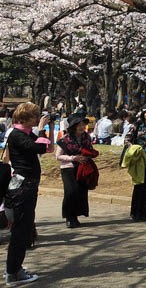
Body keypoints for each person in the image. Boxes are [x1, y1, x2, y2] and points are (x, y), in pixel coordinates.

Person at [5, 102, 50, 286]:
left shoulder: (24, 133)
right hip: (23, 188)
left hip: (27, 186)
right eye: (34, 116)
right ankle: (13, 273)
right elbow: (38, 148)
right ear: (24, 118)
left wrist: (49, 128)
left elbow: (47, 148)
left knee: (23, 229)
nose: (37, 119)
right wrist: (41, 128)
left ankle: (14, 269)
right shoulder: (16, 135)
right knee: (21, 231)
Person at [55, 115, 97, 228]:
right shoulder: (64, 139)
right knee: (70, 192)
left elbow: (89, 150)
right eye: (79, 125)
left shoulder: (87, 137)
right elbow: (58, 156)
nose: (82, 127)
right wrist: (73, 158)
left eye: (83, 124)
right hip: (68, 168)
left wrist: (88, 156)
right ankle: (69, 217)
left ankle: (76, 216)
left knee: (80, 192)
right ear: (73, 126)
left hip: (82, 168)